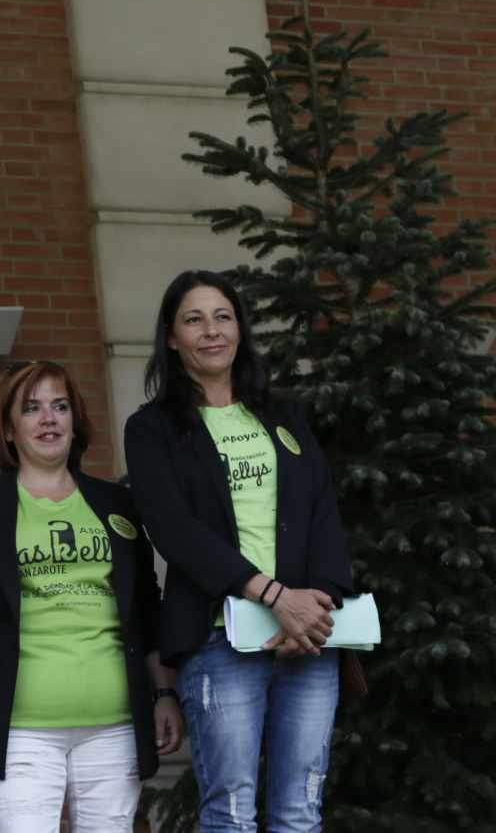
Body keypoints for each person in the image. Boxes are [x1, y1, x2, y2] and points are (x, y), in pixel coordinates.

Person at [124, 270, 354, 832]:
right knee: (229, 813)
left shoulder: (283, 416)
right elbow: (174, 530)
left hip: (307, 638)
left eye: (223, 317)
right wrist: (273, 596)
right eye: (194, 319)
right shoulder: (153, 429)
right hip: (220, 637)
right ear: (172, 338)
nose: (211, 331)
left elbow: (322, 508)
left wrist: (314, 605)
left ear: (240, 330)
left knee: (300, 811)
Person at [0, 361, 182, 833]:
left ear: (75, 421)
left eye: (60, 406)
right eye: (31, 409)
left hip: (115, 723)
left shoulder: (117, 505)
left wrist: (165, 692)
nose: (49, 419)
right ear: (8, 430)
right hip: (19, 726)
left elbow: (145, 607)